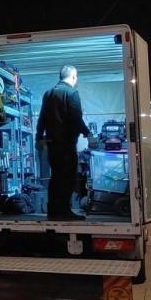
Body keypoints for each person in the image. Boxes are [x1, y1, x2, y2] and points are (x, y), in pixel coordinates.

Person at [36, 65, 93, 221]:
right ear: (73, 77)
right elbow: (76, 118)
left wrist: (39, 137)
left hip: (52, 144)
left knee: (55, 178)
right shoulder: (72, 93)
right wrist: (88, 134)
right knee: (67, 178)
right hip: (66, 145)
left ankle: (53, 212)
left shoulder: (48, 94)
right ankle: (64, 211)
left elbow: (42, 118)